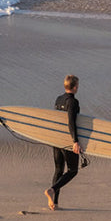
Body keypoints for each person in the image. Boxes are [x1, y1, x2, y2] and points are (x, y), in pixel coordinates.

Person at [45, 75, 83, 210]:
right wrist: (75, 141)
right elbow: (71, 122)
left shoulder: (58, 99)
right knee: (73, 170)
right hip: (67, 140)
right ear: (75, 87)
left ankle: (54, 203)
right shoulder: (73, 102)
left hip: (56, 139)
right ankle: (52, 190)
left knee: (58, 170)